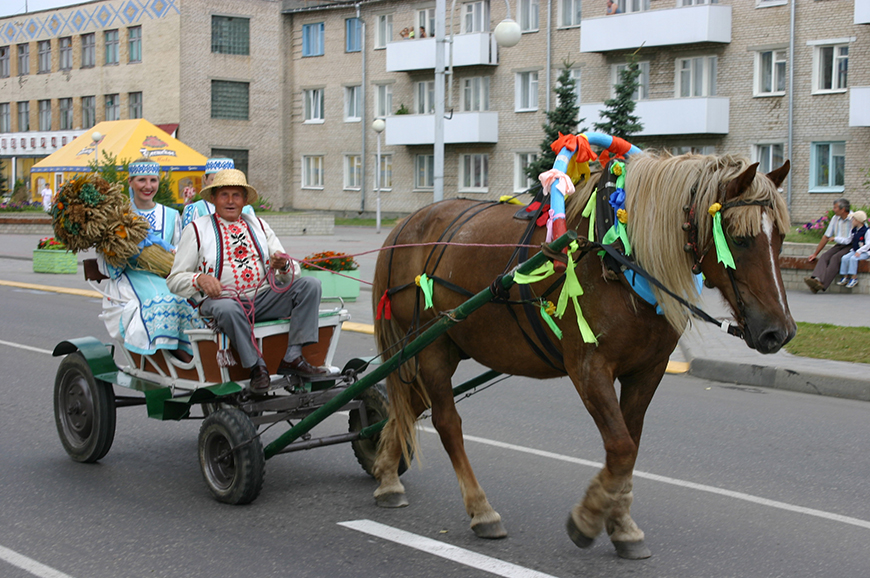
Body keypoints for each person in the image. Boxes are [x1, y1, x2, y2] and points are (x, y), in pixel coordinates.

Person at [167, 169, 337, 393]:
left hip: (263, 298)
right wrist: (200, 279)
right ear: (214, 198)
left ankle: (293, 357)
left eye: (236, 195)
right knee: (228, 308)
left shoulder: (259, 225)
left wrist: (283, 265)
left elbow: (291, 270)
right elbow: (174, 280)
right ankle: (257, 367)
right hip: (221, 301)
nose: (230, 201)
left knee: (311, 285)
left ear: (244, 200)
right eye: (224, 195)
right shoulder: (196, 230)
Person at [97, 159, 200, 360]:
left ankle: (195, 355)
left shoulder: (170, 215)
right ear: (130, 181)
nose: (148, 186)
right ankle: (173, 356)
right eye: (141, 180)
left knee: (195, 300)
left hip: (165, 274)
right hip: (131, 277)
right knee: (163, 299)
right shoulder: (118, 215)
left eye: (153, 180)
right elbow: (105, 257)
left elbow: (180, 250)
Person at [181, 157, 255, 229]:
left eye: (226, 181)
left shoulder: (247, 210)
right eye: (213, 180)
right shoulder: (194, 210)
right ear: (205, 179)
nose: (219, 185)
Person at [804, 198, 853, 293]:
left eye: (835, 208)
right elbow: (826, 236)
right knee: (825, 256)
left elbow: (855, 237)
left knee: (836, 258)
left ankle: (821, 284)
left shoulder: (853, 218)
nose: (833, 210)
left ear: (842, 210)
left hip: (851, 245)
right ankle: (815, 279)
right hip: (839, 244)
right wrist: (815, 254)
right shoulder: (835, 218)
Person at [835, 211, 869, 289]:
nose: (851, 221)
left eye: (853, 219)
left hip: (865, 252)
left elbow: (868, 244)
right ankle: (845, 276)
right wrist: (836, 239)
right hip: (855, 250)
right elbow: (848, 240)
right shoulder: (853, 230)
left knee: (853, 259)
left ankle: (854, 278)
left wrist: (859, 251)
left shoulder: (866, 231)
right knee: (845, 258)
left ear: (858, 221)